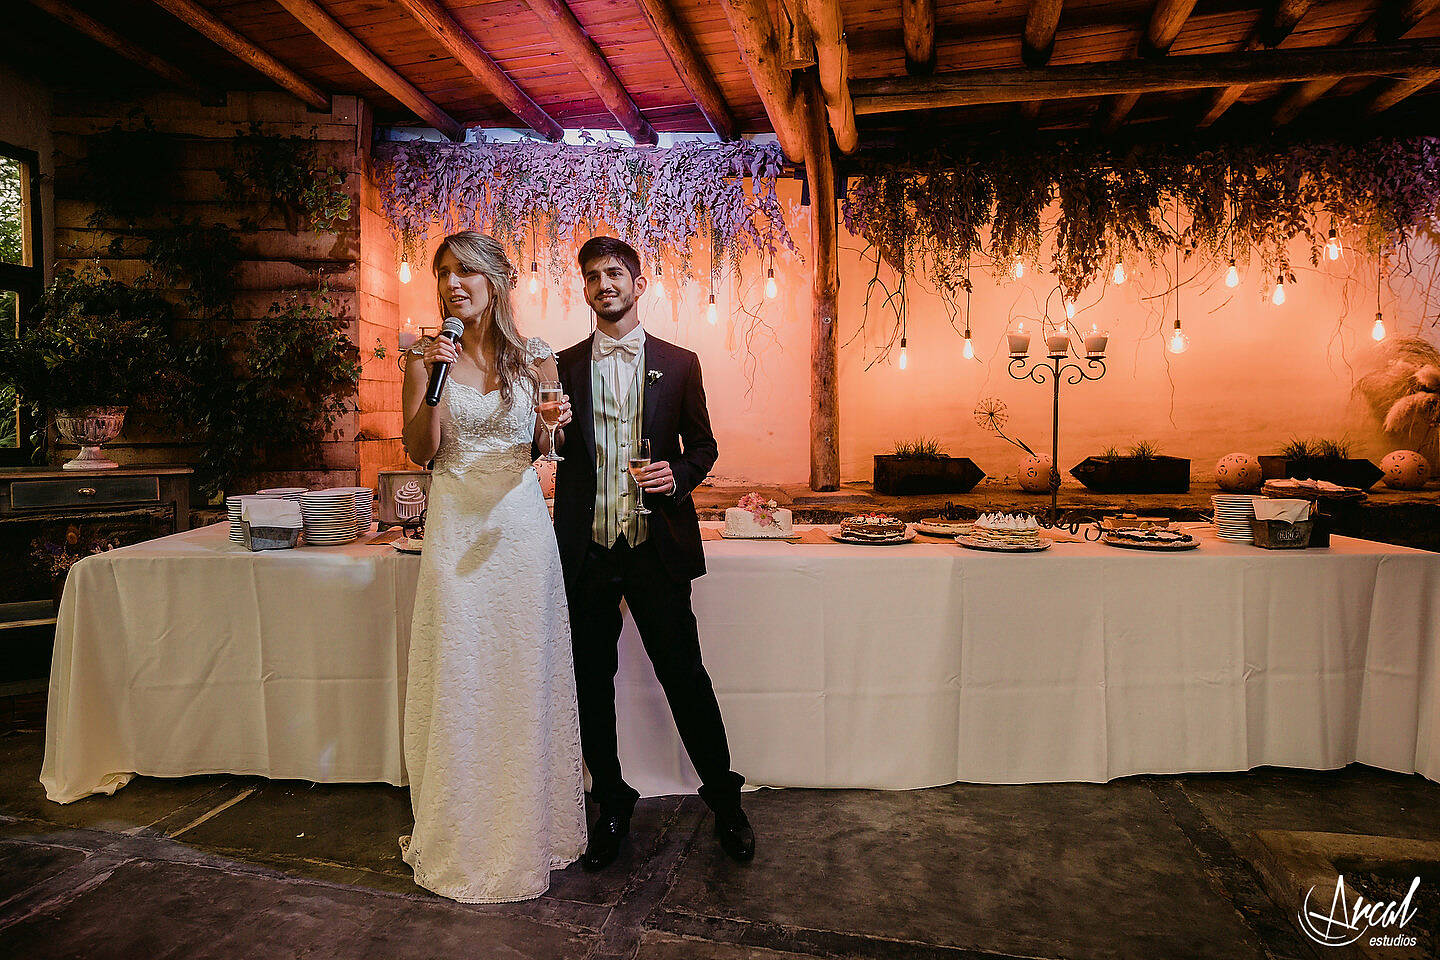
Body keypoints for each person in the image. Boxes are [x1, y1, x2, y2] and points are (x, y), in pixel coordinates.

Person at [550, 235, 754, 870]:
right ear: (584, 290)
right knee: (591, 683)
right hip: (588, 552)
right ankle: (611, 801)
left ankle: (725, 801)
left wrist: (678, 474)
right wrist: (543, 431)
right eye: (592, 277)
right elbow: (548, 449)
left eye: (615, 273)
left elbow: (705, 446)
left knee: (684, 678)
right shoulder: (559, 367)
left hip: (654, 550)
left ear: (638, 285)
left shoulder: (680, 362)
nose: (603, 284)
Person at [398, 230, 585, 903]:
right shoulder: (424, 356)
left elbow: (542, 443)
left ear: (496, 281)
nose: (452, 284)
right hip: (455, 525)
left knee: (520, 666)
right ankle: (463, 829)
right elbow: (422, 450)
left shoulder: (535, 358)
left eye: (466, 272)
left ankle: (533, 825)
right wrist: (434, 383)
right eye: (443, 272)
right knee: (463, 668)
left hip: (519, 530)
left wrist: (552, 422)